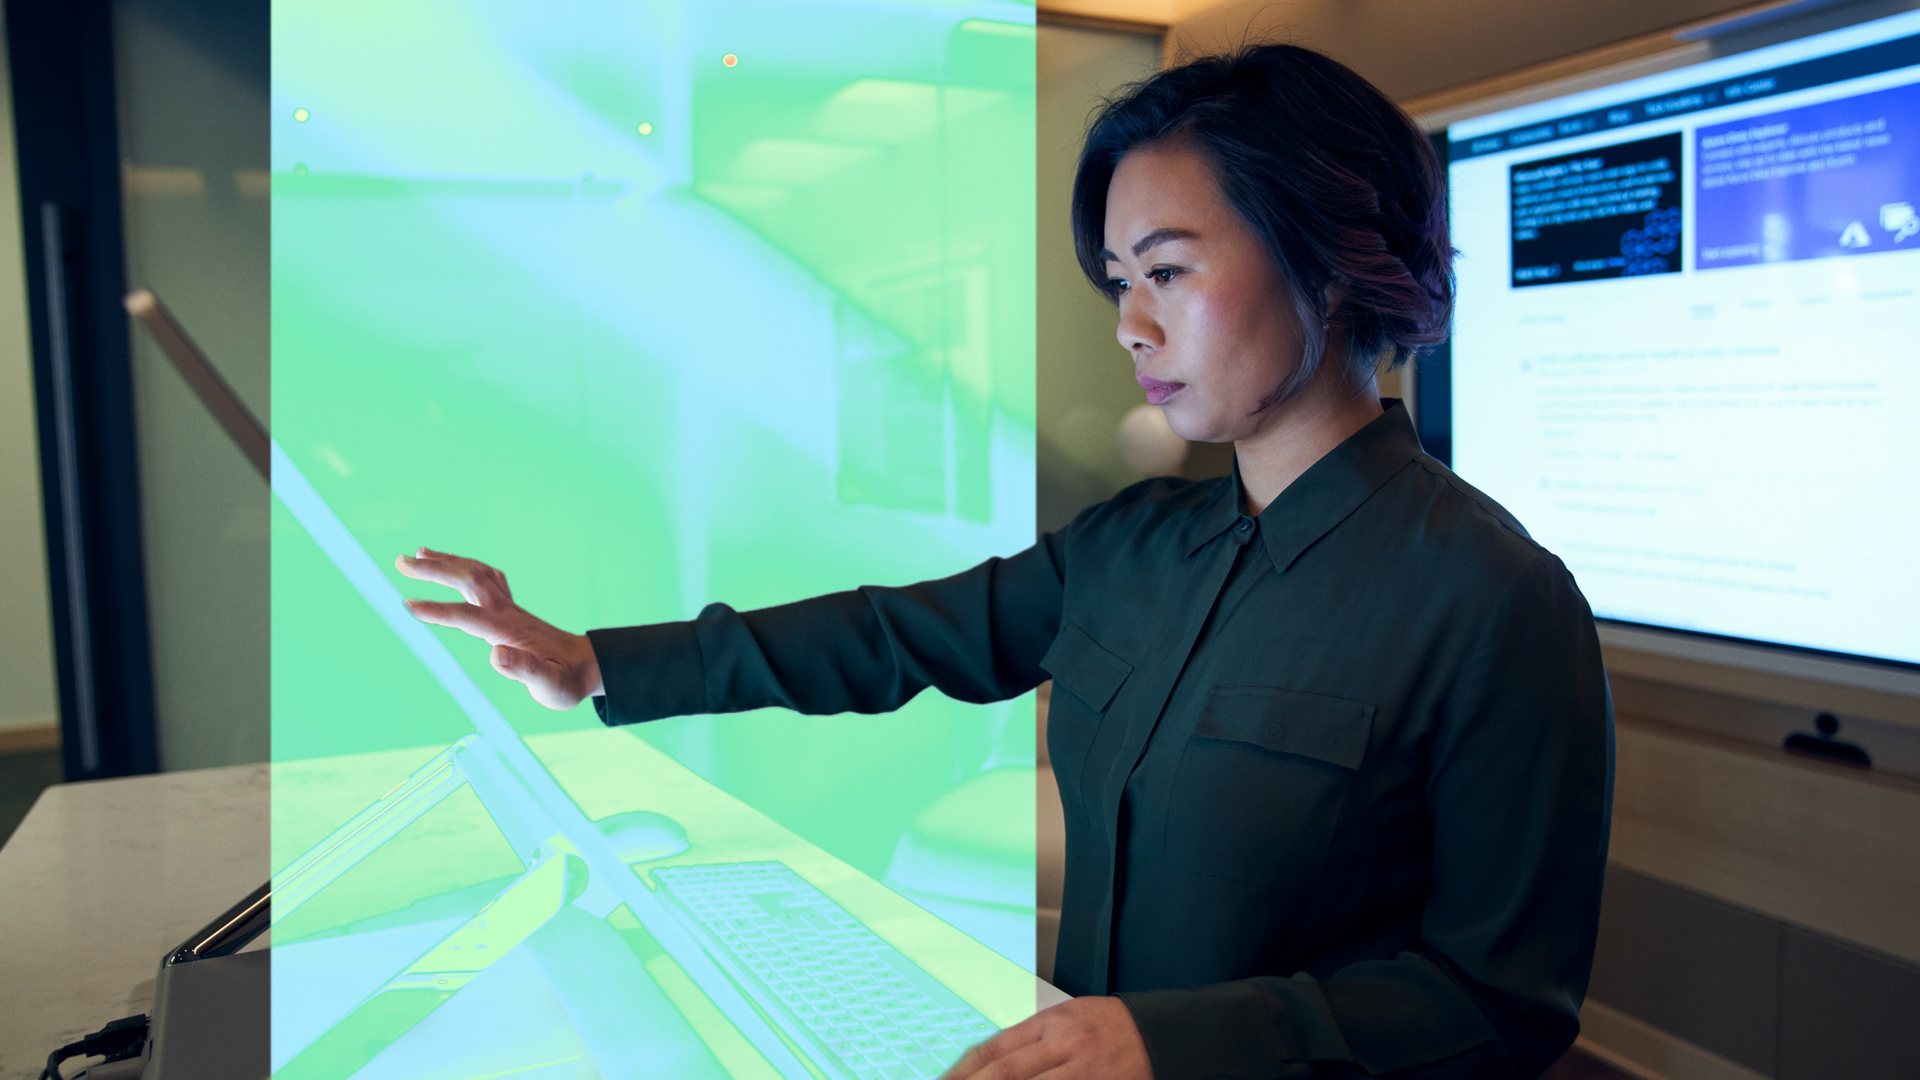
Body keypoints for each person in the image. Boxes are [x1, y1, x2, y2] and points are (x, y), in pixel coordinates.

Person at [397, 43, 1613, 1080]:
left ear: (1333, 259)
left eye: (1171, 271)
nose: (1133, 324)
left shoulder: (1495, 600)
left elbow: (1501, 1006)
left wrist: (1169, 1045)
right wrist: (599, 662)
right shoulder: (1135, 544)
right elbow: (888, 635)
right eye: (1121, 282)